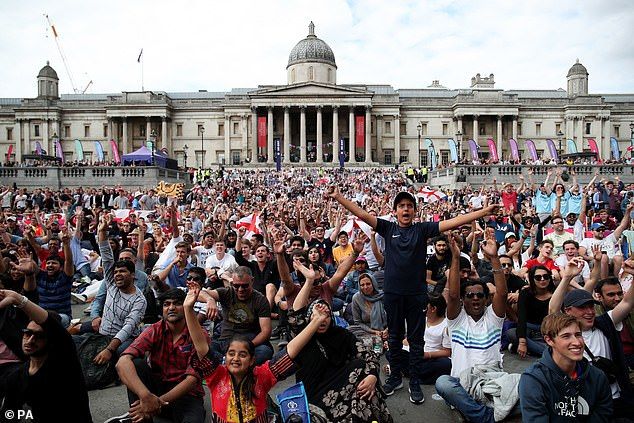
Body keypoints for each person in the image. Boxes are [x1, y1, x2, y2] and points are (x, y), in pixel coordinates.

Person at [329, 187, 497, 404]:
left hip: (416, 295)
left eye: (409, 206)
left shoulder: (422, 229)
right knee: (395, 337)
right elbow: (362, 215)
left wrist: (482, 212)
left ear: (415, 211)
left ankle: (415, 381)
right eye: (401, 206)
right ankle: (396, 376)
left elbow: (454, 221)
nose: (405, 209)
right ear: (395, 211)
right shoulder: (388, 228)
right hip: (392, 294)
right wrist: (338, 197)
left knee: (417, 341)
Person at [184, 280, 328, 423]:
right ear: (225, 357)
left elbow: (289, 351)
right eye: (231, 353)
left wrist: (315, 322)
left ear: (252, 360)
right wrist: (188, 310)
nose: (236, 358)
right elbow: (201, 346)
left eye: (242, 354)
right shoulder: (217, 375)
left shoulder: (262, 376)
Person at [435, 236, 514, 422]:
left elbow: (502, 293)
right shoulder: (457, 320)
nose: (475, 298)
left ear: (486, 299)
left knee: (524, 382)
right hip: (462, 384)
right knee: (443, 383)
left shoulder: (493, 319)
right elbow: (453, 295)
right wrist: (455, 257)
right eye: (470, 295)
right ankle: (487, 416)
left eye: (480, 295)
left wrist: (494, 257)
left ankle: (475, 412)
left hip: (491, 382)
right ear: (464, 300)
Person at [550, 258, 634, 419]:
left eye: (590, 306)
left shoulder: (605, 323)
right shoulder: (563, 332)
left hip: (615, 399)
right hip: (584, 404)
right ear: (568, 311)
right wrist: (566, 277)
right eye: (582, 307)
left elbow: (628, 302)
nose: (589, 311)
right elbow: (553, 309)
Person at [111, 289, 206, 423]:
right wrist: (145, 396)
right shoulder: (155, 329)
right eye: (166, 304)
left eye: (177, 303)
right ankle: (141, 415)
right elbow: (122, 363)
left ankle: (145, 410)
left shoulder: (199, 335)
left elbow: (192, 380)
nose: (171, 308)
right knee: (136, 364)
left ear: (186, 307)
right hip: (156, 390)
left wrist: (158, 402)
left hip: (186, 396)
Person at [0, 289, 93, 423]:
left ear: (51, 340)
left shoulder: (64, 365)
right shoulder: (16, 377)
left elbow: (53, 327)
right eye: (27, 333)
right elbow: (9, 414)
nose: (30, 340)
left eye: (39, 336)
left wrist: (19, 299)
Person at [519, 312, 613, 422]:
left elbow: (603, 415)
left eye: (578, 335)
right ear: (549, 340)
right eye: (566, 336)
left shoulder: (597, 377)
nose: (577, 342)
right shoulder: (533, 379)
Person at [200, 266, 273, 365]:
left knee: (264, 352)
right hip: (226, 340)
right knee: (204, 351)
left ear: (252, 281)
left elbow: (266, 332)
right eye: (236, 286)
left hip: (249, 341)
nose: (240, 289)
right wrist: (210, 300)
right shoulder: (226, 292)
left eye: (245, 286)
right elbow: (199, 293)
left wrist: (248, 345)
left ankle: (226, 363)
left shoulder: (260, 300)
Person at [507, 265, 554, 358]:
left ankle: (538, 350)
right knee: (511, 333)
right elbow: (522, 317)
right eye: (538, 277)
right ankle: (548, 352)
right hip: (529, 328)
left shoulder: (556, 292)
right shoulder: (525, 293)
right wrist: (522, 342)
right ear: (532, 279)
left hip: (549, 330)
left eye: (546, 276)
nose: (542, 279)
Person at [348, 272, 388, 343]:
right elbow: (358, 322)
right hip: (368, 330)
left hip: (385, 328)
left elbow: (393, 317)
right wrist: (374, 332)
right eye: (362, 285)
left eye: (368, 284)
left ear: (373, 284)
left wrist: (387, 330)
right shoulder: (356, 298)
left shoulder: (383, 296)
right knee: (349, 330)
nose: (365, 287)